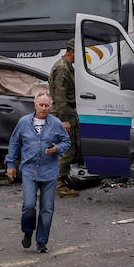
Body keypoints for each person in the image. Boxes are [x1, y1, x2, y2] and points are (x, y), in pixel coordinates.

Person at [7, 93, 71, 254]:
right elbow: (14, 142)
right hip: (29, 169)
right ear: (35, 105)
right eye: (41, 105)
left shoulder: (56, 123)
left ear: (50, 106)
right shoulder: (23, 122)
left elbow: (66, 141)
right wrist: (10, 164)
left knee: (47, 208)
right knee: (29, 205)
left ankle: (42, 241)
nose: (43, 108)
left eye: (47, 105)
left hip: (49, 171)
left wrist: (57, 149)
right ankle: (27, 231)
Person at [49, 40, 80, 197]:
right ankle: (58, 185)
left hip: (66, 112)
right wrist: (64, 121)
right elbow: (60, 97)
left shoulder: (67, 67)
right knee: (66, 151)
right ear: (72, 51)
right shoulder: (62, 68)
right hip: (63, 114)